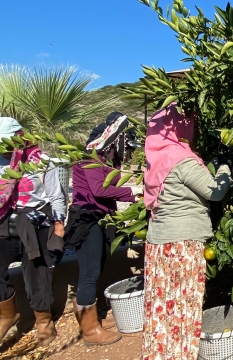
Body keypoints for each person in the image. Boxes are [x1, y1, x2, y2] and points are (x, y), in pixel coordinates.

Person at [142, 104, 232, 359]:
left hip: (158, 245)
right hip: (181, 246)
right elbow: (215, 191)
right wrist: (225, 167)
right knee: (183, 307)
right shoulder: (181, 159)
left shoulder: (157, 159)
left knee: (161, 310)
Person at [64, 112, 136, 346]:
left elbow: (110, 186)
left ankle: (93, 319)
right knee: (89, 274)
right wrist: (131, 193)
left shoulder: (107, 156)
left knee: (98, 267)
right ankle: (90, 331)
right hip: (88, 219)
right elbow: (98, 189)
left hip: (103, 218)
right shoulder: (91, 155)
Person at [0, 117, 67, 346]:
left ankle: (43, 320)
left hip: (35, 220)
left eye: (7, 143)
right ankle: (7, 314)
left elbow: (56, 195)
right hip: (4, 220)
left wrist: (59, 227)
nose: (5, 150)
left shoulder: (41, 161)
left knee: (37, 271)